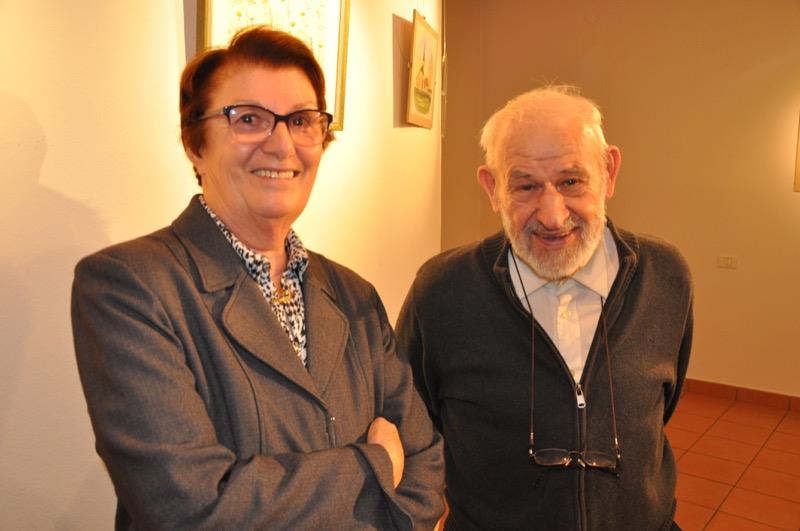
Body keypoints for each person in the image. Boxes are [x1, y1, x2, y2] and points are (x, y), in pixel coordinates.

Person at [71, 27, 443, 530]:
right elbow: (188, 509)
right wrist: (374, 465)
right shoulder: (129, 287)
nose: (282, 144)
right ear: (195, 144)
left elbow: (424, 467)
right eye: (248, 119)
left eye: (301, 121)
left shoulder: (354, 295)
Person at [396, 85, 692, 530]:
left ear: (609, 172)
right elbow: (411, 430)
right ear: (493, 188)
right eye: (526, 186)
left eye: (571, 181)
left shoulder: (665, 277)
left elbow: (661, 405)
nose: (553, 215)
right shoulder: (441, 292)